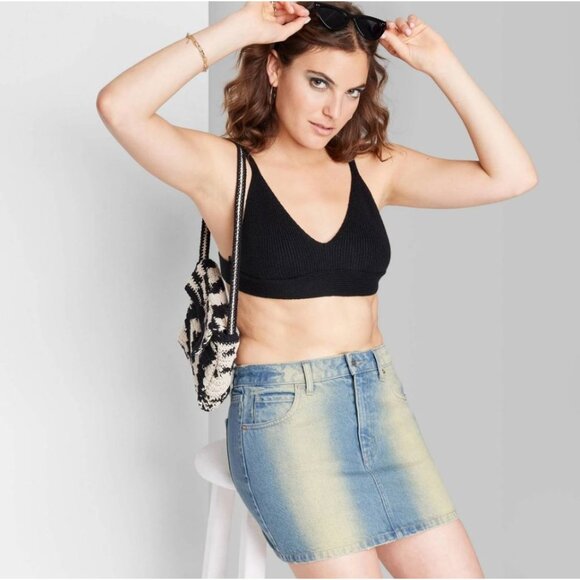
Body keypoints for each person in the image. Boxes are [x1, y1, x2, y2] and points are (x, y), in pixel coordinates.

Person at [96, 1, 537, 577]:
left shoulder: (372, 168)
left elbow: (512, 175)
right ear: (275, 69)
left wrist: (442, 64)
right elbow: (119, 106)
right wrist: (241, 29)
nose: (335, 110)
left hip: (379, 402)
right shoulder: (223, 171)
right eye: (319, 82)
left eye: (352, 92)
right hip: (284, 418)